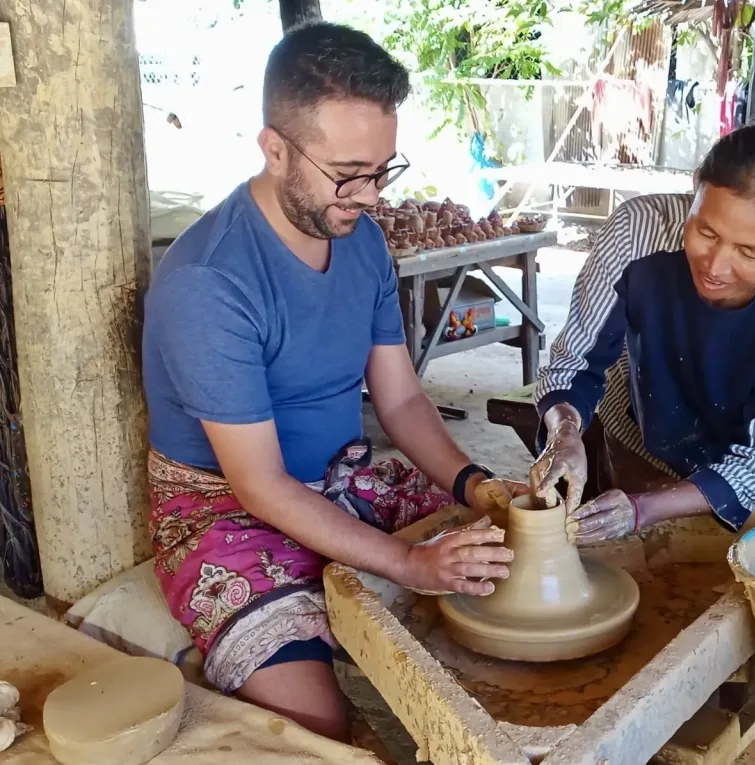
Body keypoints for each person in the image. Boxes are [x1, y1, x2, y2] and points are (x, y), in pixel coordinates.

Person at [142, 22, 522, 742]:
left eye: (383, 170)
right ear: (275, 148)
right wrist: (411, 562)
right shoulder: (209, 282)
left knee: (503, 539)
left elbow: (403, 399)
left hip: (340, 482)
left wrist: (477, 485)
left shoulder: (363, 241)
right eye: (348, 173)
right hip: (224, 510)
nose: (372, 196)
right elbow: (259, 486)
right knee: (318, 727)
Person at [529, 121, 755, 545]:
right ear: (695, 187)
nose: (715, 267)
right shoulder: (636, 233)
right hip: (643, 446)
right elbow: (575, 365)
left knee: (735, 599)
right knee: (645, 585)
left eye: (748, 252)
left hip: (752, 484)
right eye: (706, 232)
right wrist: (564, 432)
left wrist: (644, 509)